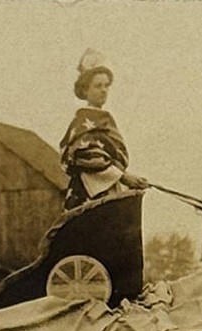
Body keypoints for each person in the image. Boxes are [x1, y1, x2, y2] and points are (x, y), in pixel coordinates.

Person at [60, 49, 147, 210]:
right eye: (98, 86)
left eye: (106, 85)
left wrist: (127, 180)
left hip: (109, 187)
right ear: (85, 90)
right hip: (88, 193)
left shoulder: (105, 119)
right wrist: (123, 177)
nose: (104, 90)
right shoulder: (82, 122)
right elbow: (87, 156)